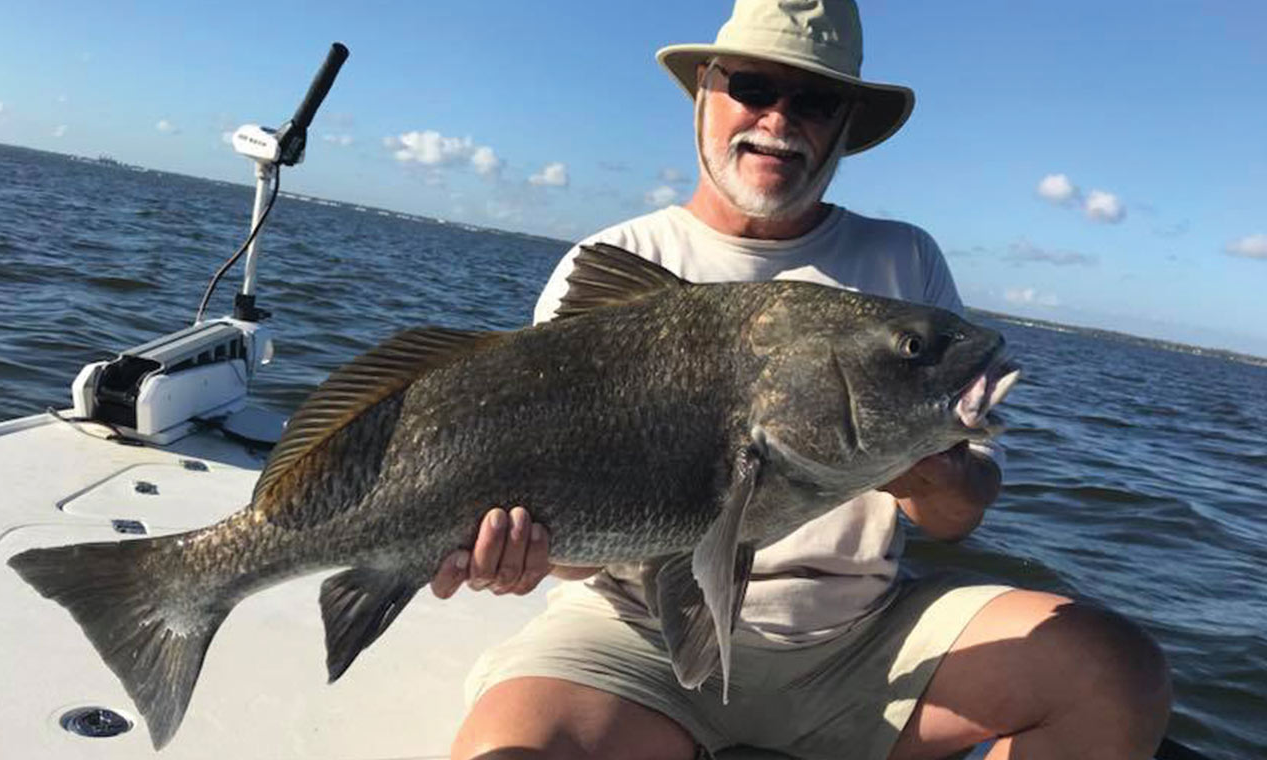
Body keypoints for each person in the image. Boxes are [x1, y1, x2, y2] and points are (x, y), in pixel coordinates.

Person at [432, 1, 1172, 758]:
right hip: (634, 639)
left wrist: (920, 464)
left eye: (815, 101)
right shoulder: (609, 262)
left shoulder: (904, 263)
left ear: (845, 124)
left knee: (1117, 674)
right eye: (753, 87)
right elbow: (579, 556)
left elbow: (959, 516)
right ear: (705, 93)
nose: (780, 120)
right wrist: (522, 551)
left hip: (859, 639)